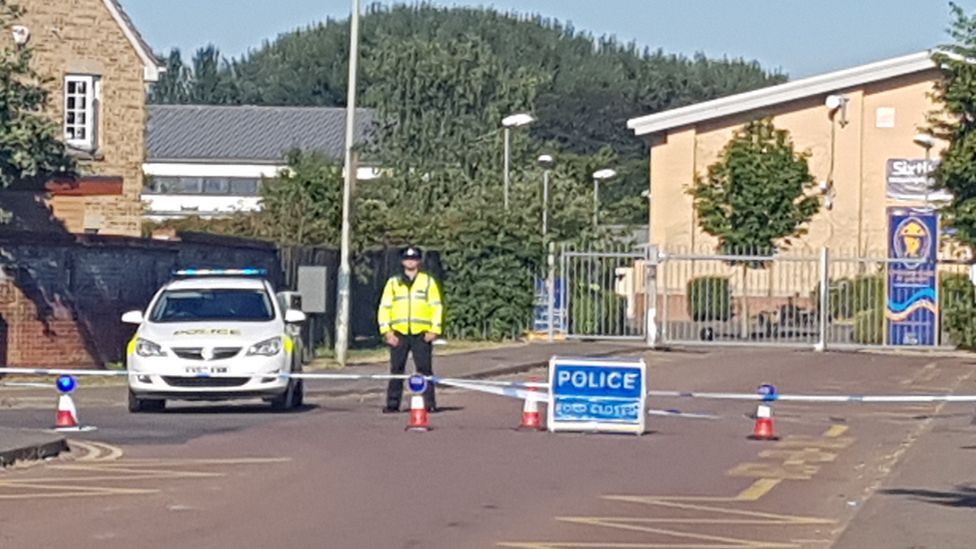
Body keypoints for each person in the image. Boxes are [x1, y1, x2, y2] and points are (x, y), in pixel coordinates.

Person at [377, 246, 443, 413]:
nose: (410, 262)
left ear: (419, 261)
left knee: (424, 369)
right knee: (397, 369)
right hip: (398, 333)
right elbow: (384, 308)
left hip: (422, 333)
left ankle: (429, 404)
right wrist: (387, 332)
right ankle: (393, 404)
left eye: (413, 259)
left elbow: (436, 307)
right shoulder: (393, 283)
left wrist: (434, 330)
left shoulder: (428, 282)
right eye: (407, 259)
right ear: (402, 261)